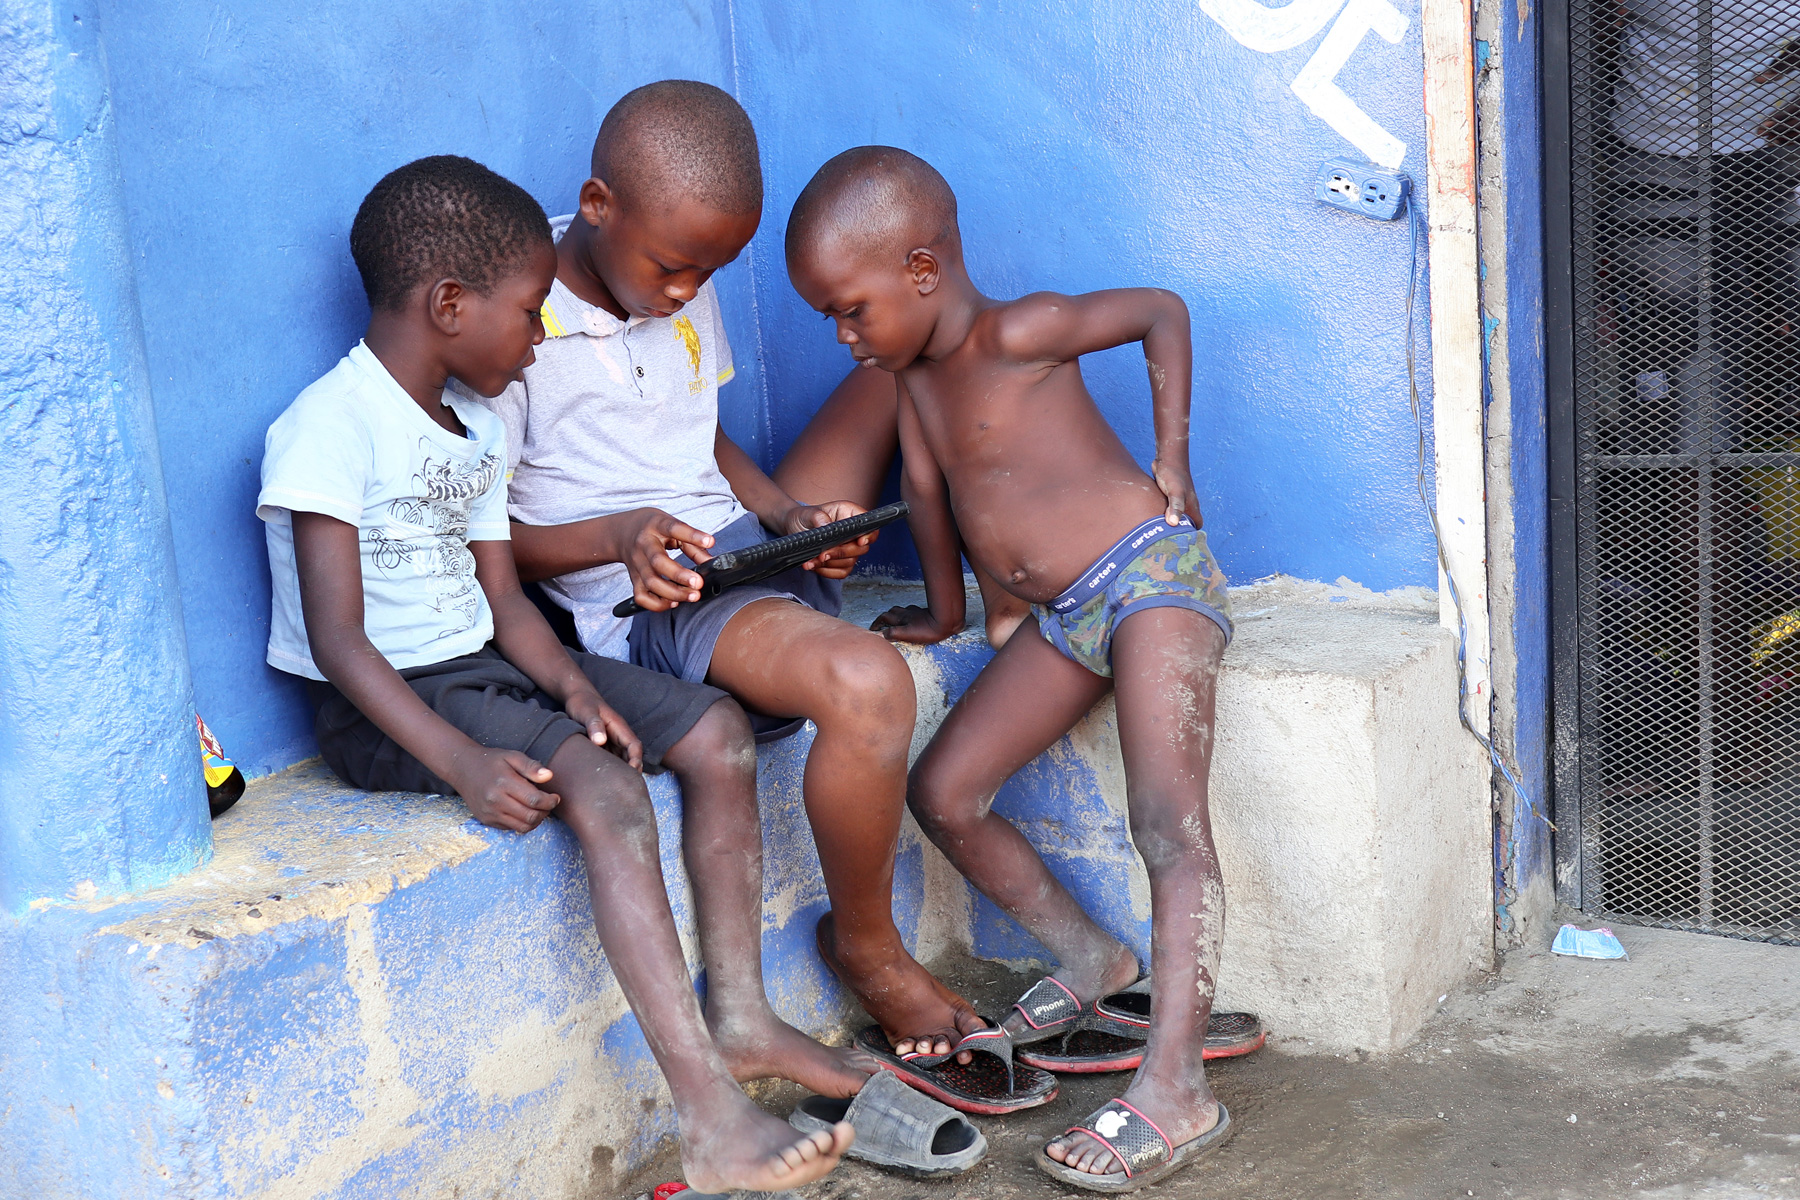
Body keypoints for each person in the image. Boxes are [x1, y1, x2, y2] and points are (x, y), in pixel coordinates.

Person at [257, 155, 853, 1194]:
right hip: (392, 701)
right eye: (529, 314)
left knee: (714, 732)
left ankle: (745, 1015)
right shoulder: (328, 426)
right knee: (608, 791)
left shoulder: (478, 430)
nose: (538, 340)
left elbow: (503, 601)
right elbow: (339, 642)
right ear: (450, 304)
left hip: (491, 665)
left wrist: (577, 688)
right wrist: (458, 762)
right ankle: (709, 1115)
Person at [478, 81, 989, 1066]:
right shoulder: (515, 317)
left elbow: (703, 442)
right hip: (653, 600)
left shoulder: (682, 267)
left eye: (708, 271)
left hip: (737, 543)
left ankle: (1007, 596)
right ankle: (869, 949)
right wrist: (620, 537)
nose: (687, 291)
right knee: (868, 683)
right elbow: (487, 541)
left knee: (901, 363)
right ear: (597, 205)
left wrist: (792, 520)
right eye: (673, 269)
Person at [786, 146, 1236, 1190]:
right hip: (1069, 616)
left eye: (851, 311)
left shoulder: (1020, 331)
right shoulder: (911, 388)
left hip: (1150, 577)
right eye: (829, 319)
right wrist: (950, 612)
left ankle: (1177, 1086)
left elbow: (1161, 311)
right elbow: (930, 498)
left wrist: (1172, 457)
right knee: (944, 790)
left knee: (1169, 826)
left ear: (922, 271)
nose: (844, 336)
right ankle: (1092, 958)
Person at [773, 364, 1034, 650]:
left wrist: (785, 514)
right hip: (763, 569)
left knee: (921, 361)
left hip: (770, 556)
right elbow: (921, 482)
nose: (845, 341)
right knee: (925, 362)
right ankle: (1012, 603)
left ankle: (1011, 602)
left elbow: (922, 481)